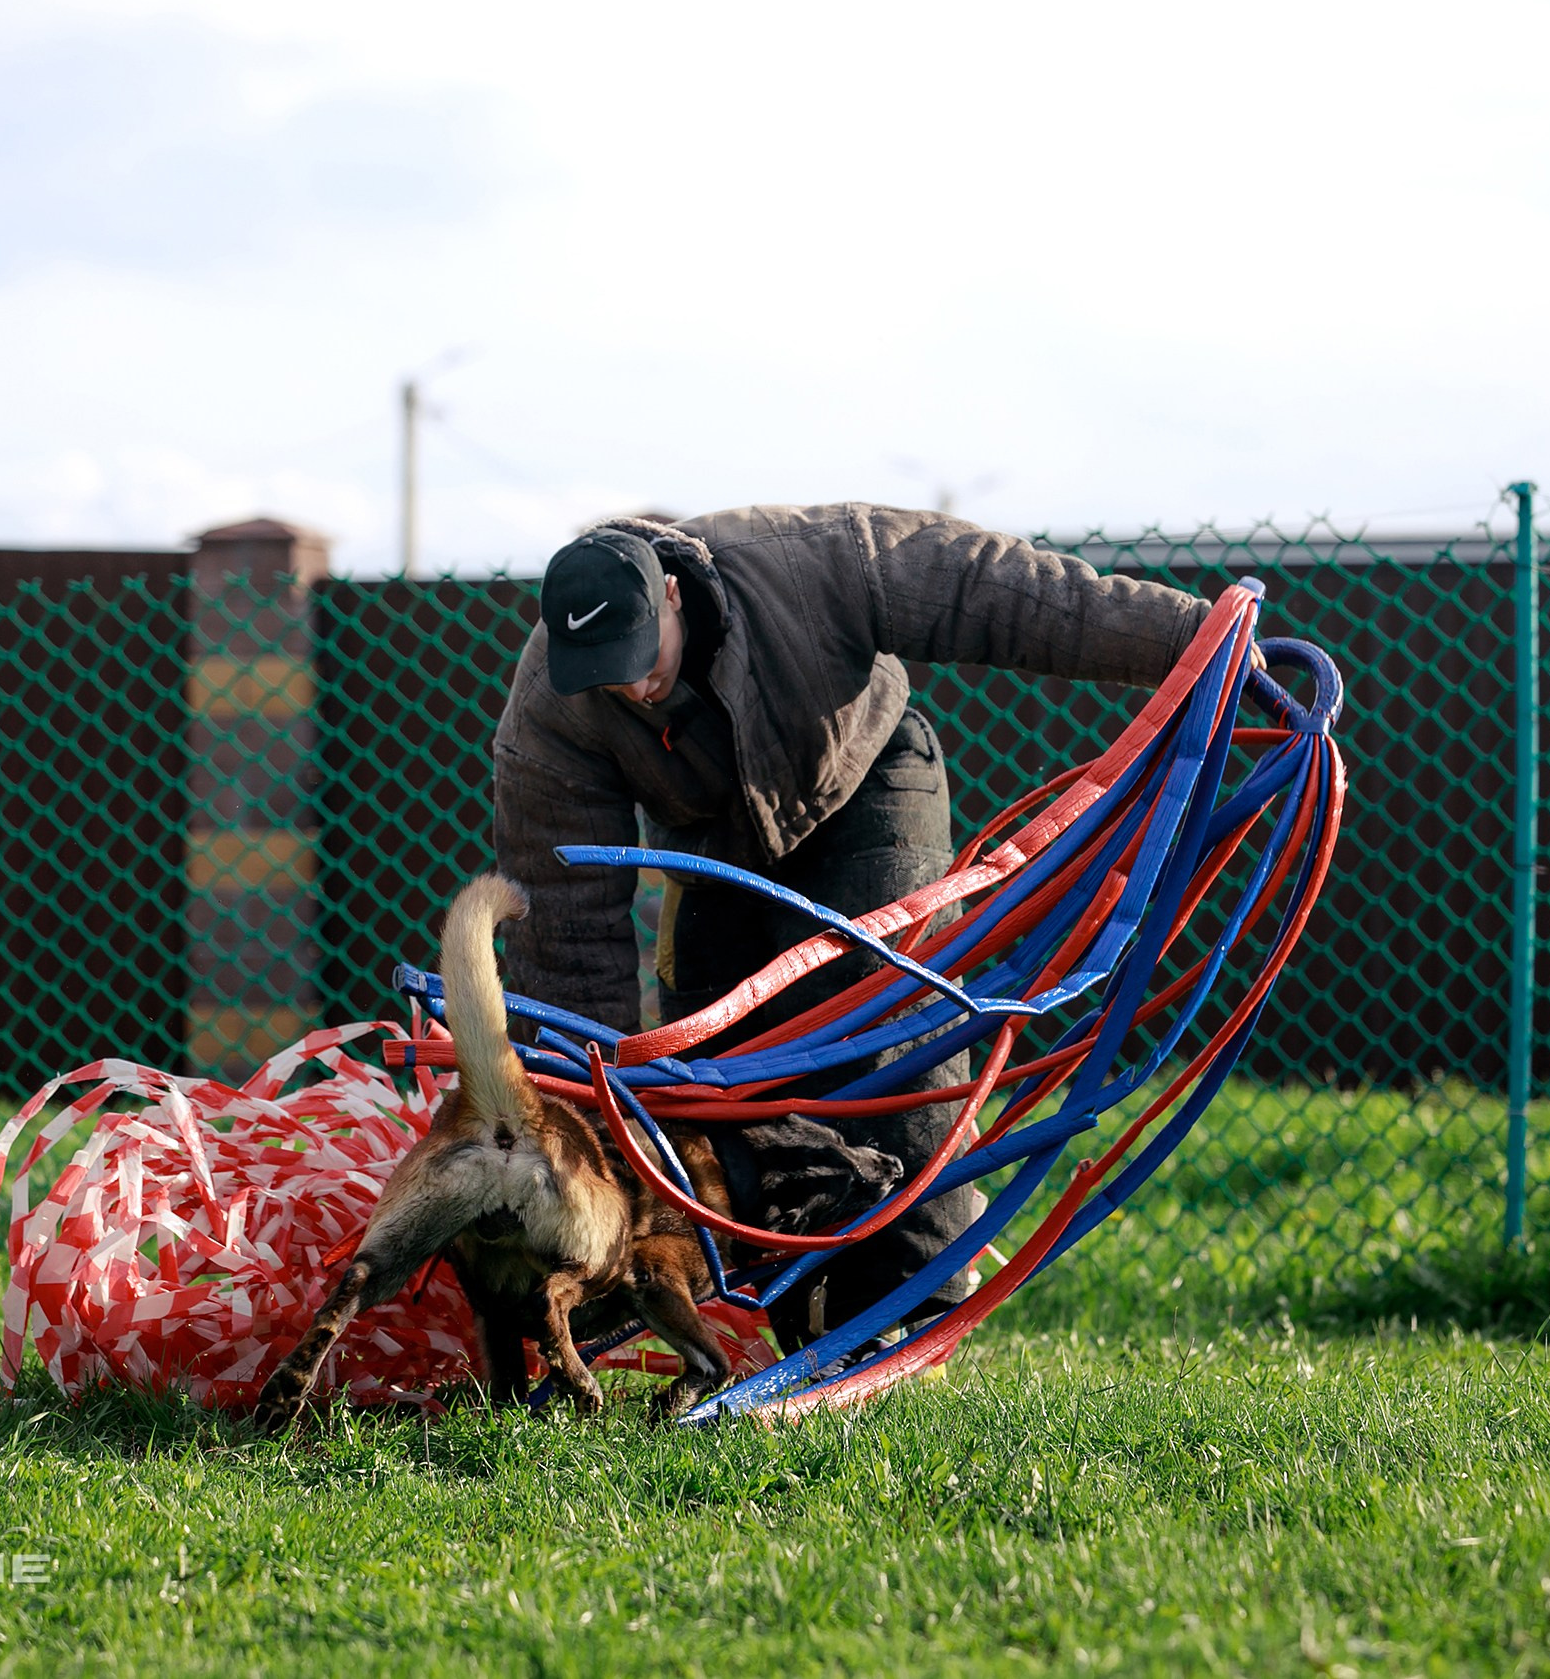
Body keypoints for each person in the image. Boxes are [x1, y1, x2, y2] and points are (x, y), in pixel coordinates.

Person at [491, 503, 1216, 1350]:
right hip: (713, 836)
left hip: (866, 779)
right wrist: (593, 1143)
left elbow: (997, 588)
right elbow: (564, 924)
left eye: (641, 658)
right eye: (607, 674)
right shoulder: (553, 704)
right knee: (716, 1069)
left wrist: (1194, 639)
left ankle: (915, 1304)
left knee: (889, 1019)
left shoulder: (805, 563)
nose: (633, 687)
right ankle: (788, 1303)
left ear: (676, 597)